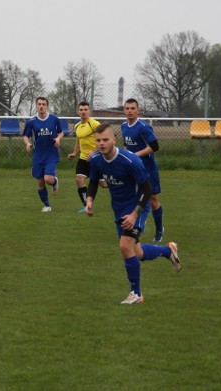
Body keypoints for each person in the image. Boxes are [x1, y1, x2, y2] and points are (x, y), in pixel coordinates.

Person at [86, 123, 181, 305]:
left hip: (138, 205)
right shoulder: (97, 159)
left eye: (106, 139)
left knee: (124, 247)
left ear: (114, 140)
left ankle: (136, 293)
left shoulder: (130, 161)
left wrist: (134, 215)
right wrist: (90, 200)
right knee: (136, 252)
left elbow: (147, 189)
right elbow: (93, 182)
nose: (102, 143)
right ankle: (168, 250)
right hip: (118, 208)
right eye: (98, 140)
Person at [121, 98, 164, 242]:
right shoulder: (123, 126)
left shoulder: (143, 127)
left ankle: (159, 230)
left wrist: (135, 155)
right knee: (135, 197)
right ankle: (135, 227)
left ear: (138, 110)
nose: (130, 111)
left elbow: (155, 146)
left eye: (133, 108)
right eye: (127, 108)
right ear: (124, 110)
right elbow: (127, 145)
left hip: (149, 168)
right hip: (133, 169)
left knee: (152, 200)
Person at [22, 97, 64, 212]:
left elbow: (61, 133)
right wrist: (27, 144)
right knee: (40, 181)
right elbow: (25, 135)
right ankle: (46, 205)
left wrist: (58, 139)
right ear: (36, 106)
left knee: (48, 179)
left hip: (51, 154)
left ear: (47, 106)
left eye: (43, 104)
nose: (41, 106)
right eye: (39, 104)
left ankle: (55, 181)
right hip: (38, 155)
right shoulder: (31, 121)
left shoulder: (54, 119)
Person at [68, 101, 100, 212]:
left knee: (104, 183)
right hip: (83, 158)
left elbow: (103, 140)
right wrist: (74, 153)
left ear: (89, 111)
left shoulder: (95, 124)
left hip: (97, 158)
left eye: (85, 109)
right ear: (78, 112)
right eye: (81, 110)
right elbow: (78, 141)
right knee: (79, 179)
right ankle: (86, 205)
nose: (83, 112)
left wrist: (94, 152)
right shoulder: (77, 126)